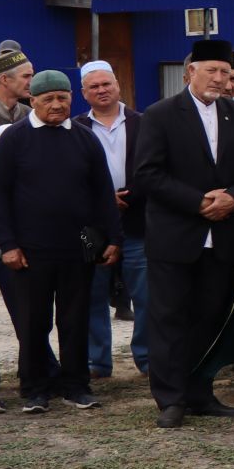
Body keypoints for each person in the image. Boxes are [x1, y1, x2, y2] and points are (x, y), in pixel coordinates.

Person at [131, 39, 234, 428]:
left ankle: (200, 391)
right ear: (190, 71)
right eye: (212, 71)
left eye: (225, 72)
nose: (219, 79)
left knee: (209, 317)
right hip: (176, 235)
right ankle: (170, 399)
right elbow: (147, 175)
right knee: (169, 319)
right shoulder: (160, 115)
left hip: (222, 235)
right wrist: (199, 201)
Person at [0, 71, 122, 412]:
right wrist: (8, 245)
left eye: (62, 98)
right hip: (30, 251)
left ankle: (76, 385)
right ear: (31, 101)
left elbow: (103, 193)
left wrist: (111, 238)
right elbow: (0, 196)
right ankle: (35, 388)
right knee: (34, 321)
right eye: (47, 99)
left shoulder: (84, 138)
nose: (56, 105)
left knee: (75, 319)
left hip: (76, 248)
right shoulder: (15, 139)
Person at [75, 61, 148, 382]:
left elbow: (156, 167)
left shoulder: (143, 123)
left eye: (107, 84)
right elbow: (69, 178)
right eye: (94, 86)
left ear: (118, 85)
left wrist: (129, 197)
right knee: (92, 295)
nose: (102, 90)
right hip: (94, 227)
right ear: (84, 93)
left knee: (146, 296)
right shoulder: (75, 128)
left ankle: (148, 359)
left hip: (138, 222)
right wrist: (103, 201)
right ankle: (98, 362)